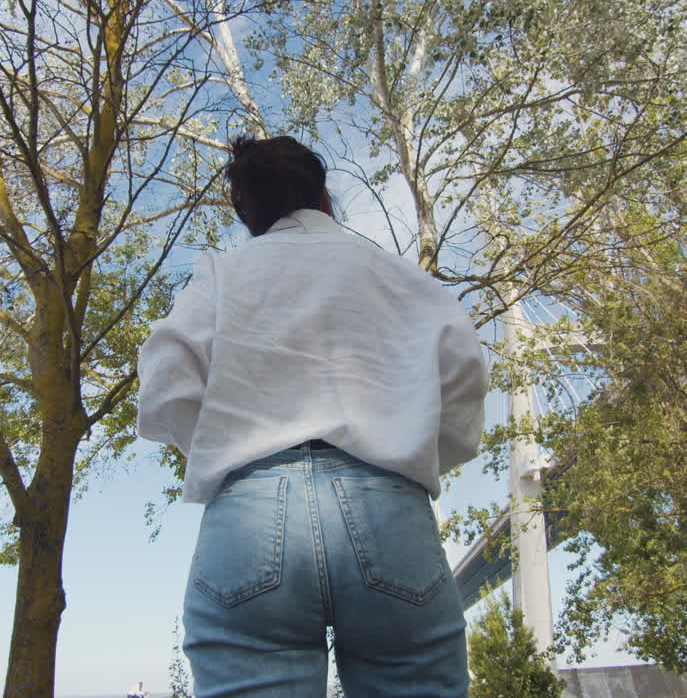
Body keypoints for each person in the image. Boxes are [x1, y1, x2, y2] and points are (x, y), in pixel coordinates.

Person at [136, 135, 487, 698]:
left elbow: (163, 378)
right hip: (389, 506)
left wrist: (221, 446)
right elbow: (464, 371)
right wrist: (413, 447)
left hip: (249, 513)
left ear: (251, 216)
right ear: (324, 198)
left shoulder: (223, 275)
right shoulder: (400, 277)